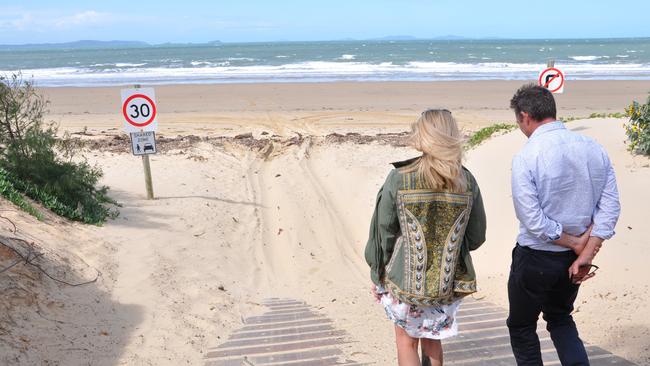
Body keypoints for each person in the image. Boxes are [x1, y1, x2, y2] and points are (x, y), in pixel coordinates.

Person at [507, 84, 621, 365]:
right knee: (560, 318)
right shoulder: (593, 148)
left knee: (521, 326)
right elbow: (609, 209)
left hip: (536, 257)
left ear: (525, 116)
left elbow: (532, 220)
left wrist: (576, 245)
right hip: (572, 260)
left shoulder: (527, 155)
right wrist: (585, 252)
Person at [365, 109, 487, 366]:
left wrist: (378, 273)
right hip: (447, 281)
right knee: (433, 339)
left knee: (406, 341)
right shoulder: (466, 180)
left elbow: (383, 232)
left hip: (403, 279)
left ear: (423, 136)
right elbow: (476, 237)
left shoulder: (400, 177)